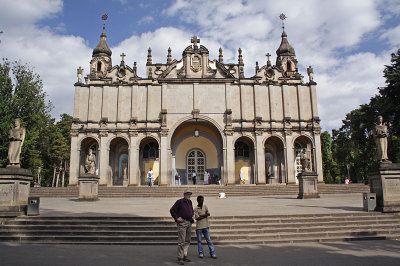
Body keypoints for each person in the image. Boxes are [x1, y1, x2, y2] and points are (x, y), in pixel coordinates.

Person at [170, 190, 195, 265]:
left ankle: (184, 255)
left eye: (190, 194)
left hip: (189, 222)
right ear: (184, 194)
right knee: (181, 241)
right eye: (187, 194)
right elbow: (172, 210)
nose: (189, 195)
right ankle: (180, 257)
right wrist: (176, 218)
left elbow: (191, 210)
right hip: (182, 223)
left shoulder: (190, 202)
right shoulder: (180, 201)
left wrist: (192, 214)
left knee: (187, 240)